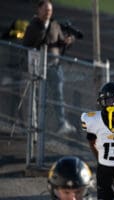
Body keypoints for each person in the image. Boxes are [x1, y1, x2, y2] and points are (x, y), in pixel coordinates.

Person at [23, 0, 76, 134]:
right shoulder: (33, 27)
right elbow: (26, 47)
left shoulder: (55, 24)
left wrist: (67, 42)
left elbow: (60, 42)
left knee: (58, 96)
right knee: (37, 98)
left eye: (50, 10)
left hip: (54, 66)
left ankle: (62, 123)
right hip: (38, 68)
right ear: (39, 10)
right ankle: (34, 125)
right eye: (46, 10)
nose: (48, 12)